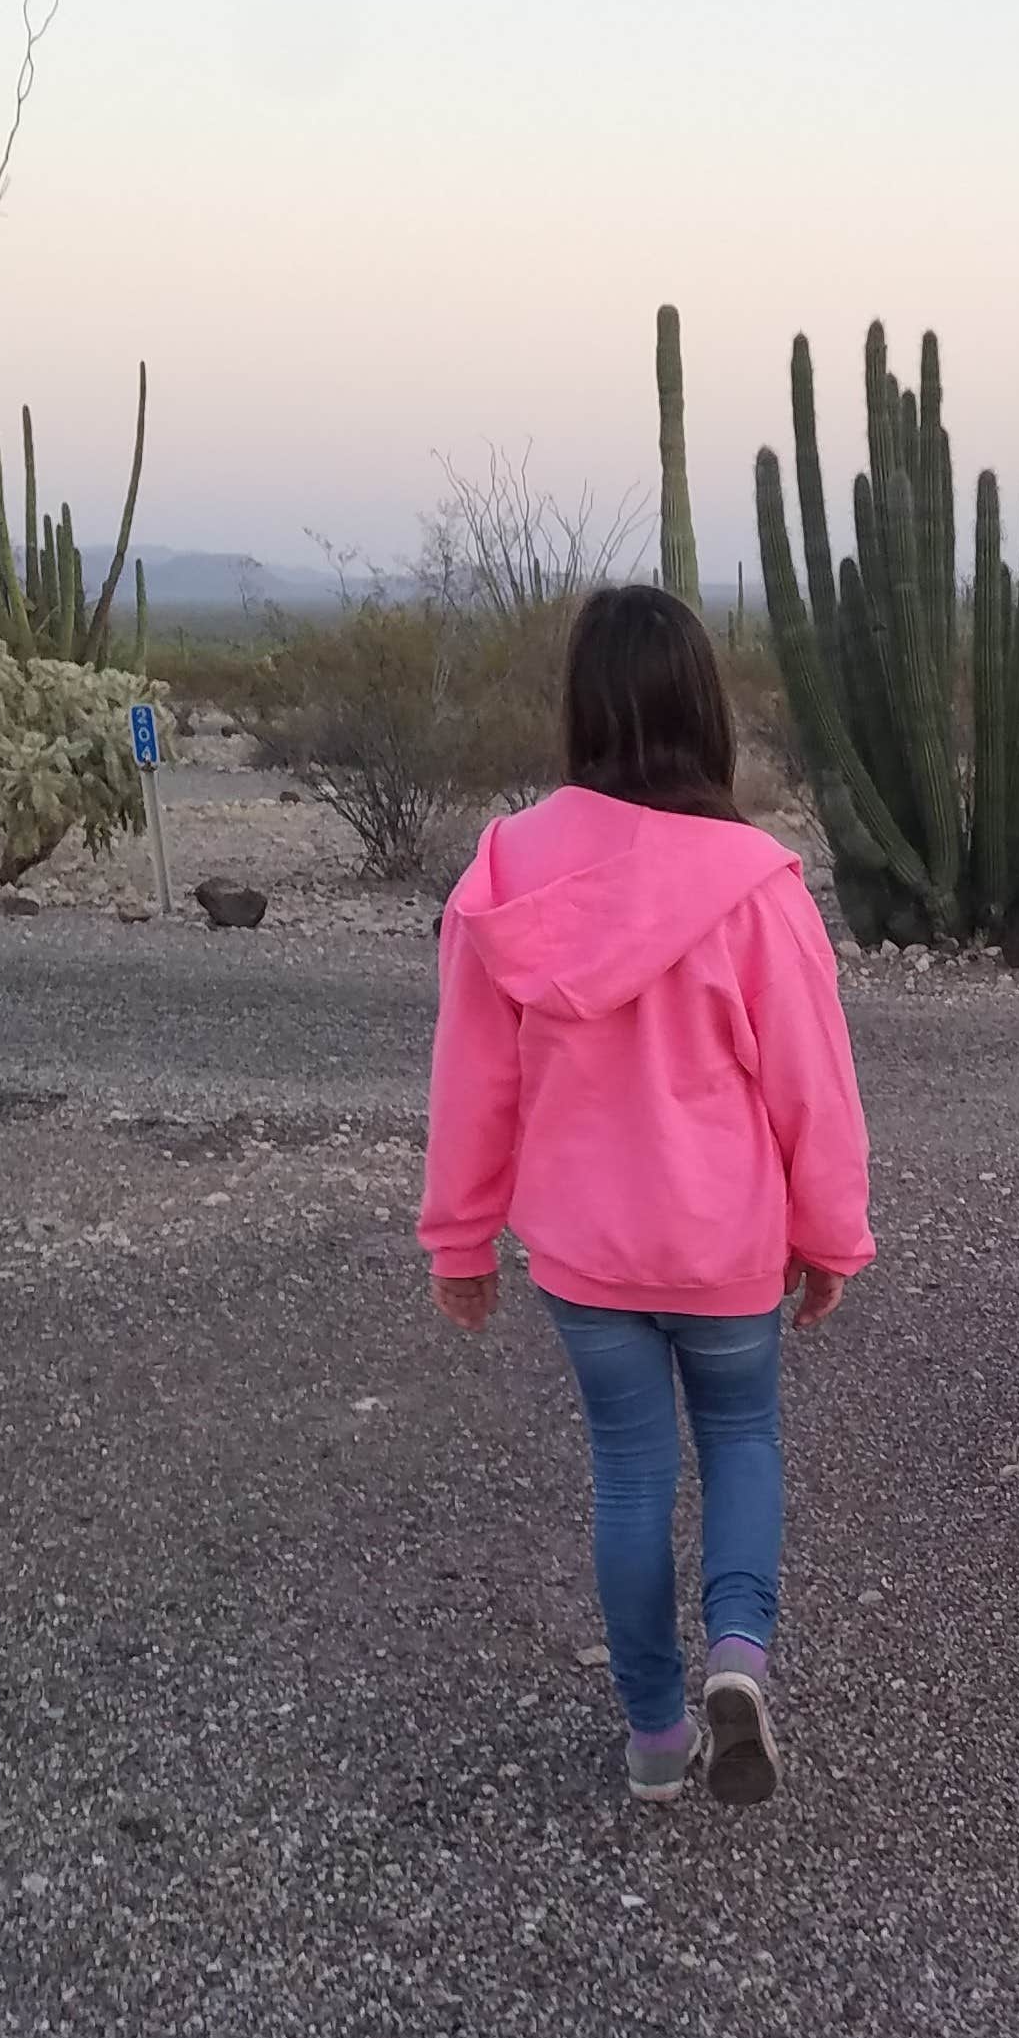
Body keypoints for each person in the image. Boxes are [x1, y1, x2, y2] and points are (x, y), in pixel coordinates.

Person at [418, 584, 873, 1804]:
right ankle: (738, 1653)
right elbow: (811, 1086)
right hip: (725, 1248)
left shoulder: (505, 871)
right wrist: (832, 1235)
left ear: (582, 708)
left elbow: (471, 1081)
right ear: (702, 709)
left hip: (583, 1254)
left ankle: (658, 1737)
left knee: (627, 1474)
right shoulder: (756, 881)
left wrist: (461, 1240)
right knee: (739, 1444)